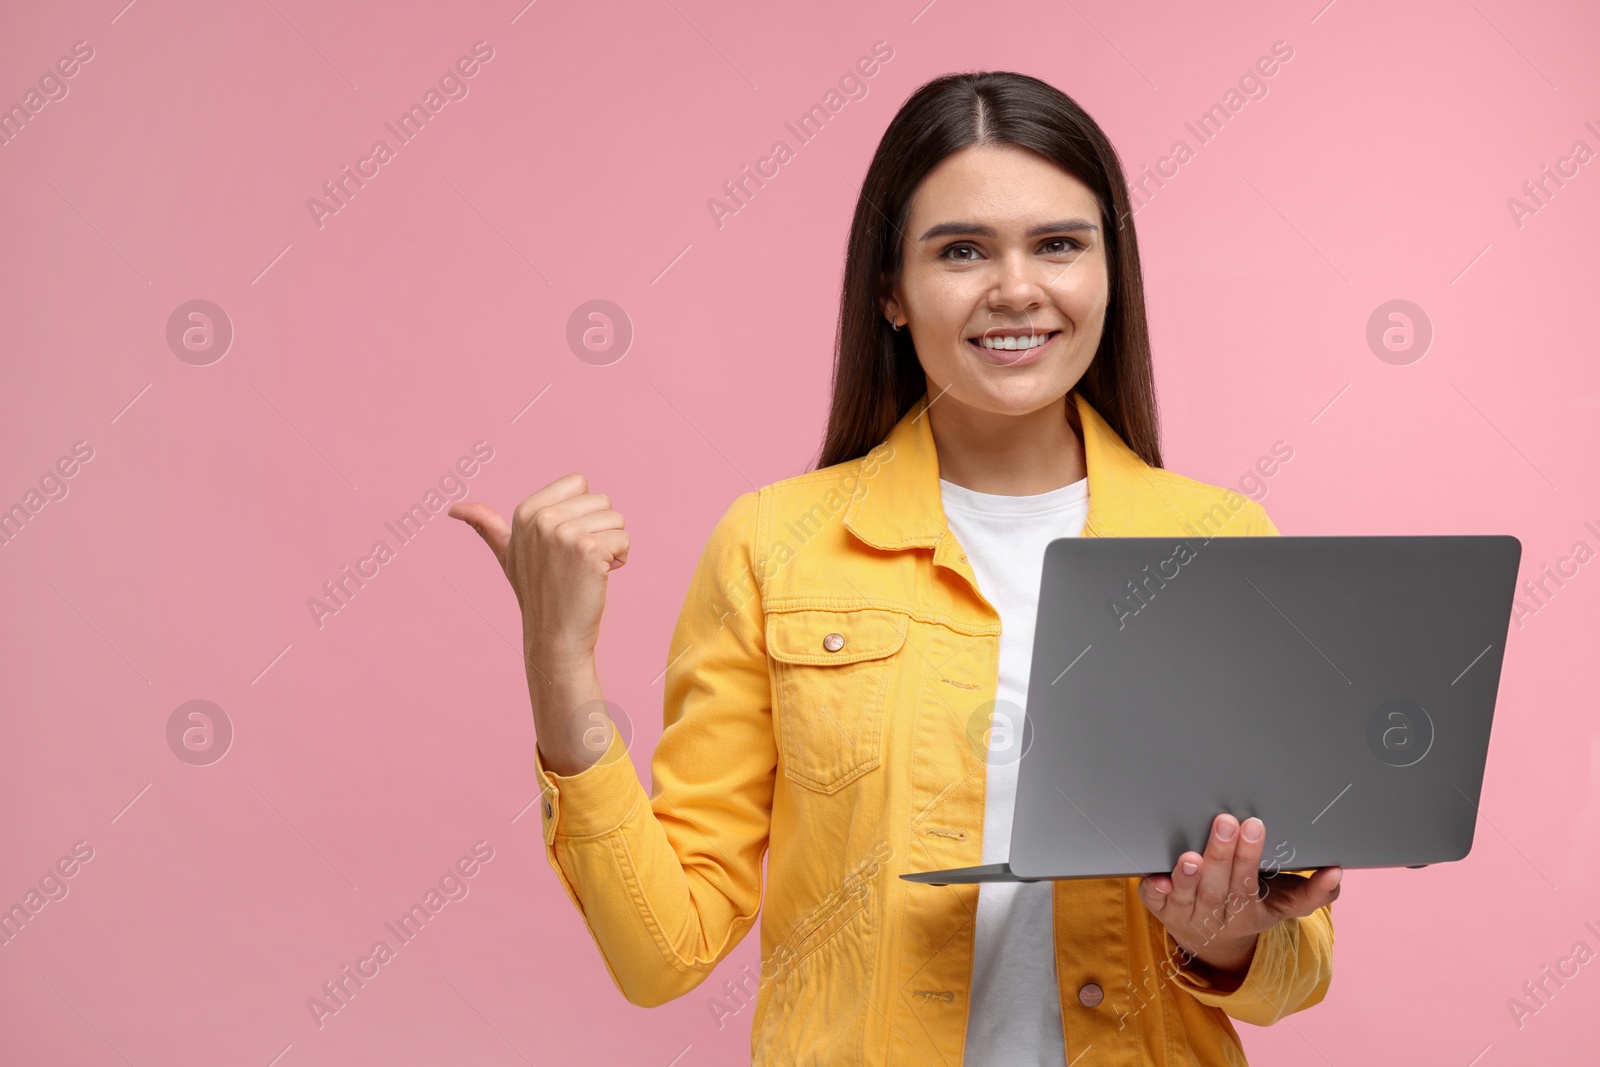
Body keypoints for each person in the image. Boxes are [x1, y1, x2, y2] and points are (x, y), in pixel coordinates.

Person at [451, 70, 1341, 1066]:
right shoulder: (771, 546)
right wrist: (557, 661)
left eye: (1058, 243)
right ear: (890, 291)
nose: (1015, 287)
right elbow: (664, 950)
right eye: (961, 249)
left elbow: (1295, 970)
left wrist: (1221, 930)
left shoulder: (1218, 540)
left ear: (1109, 272)